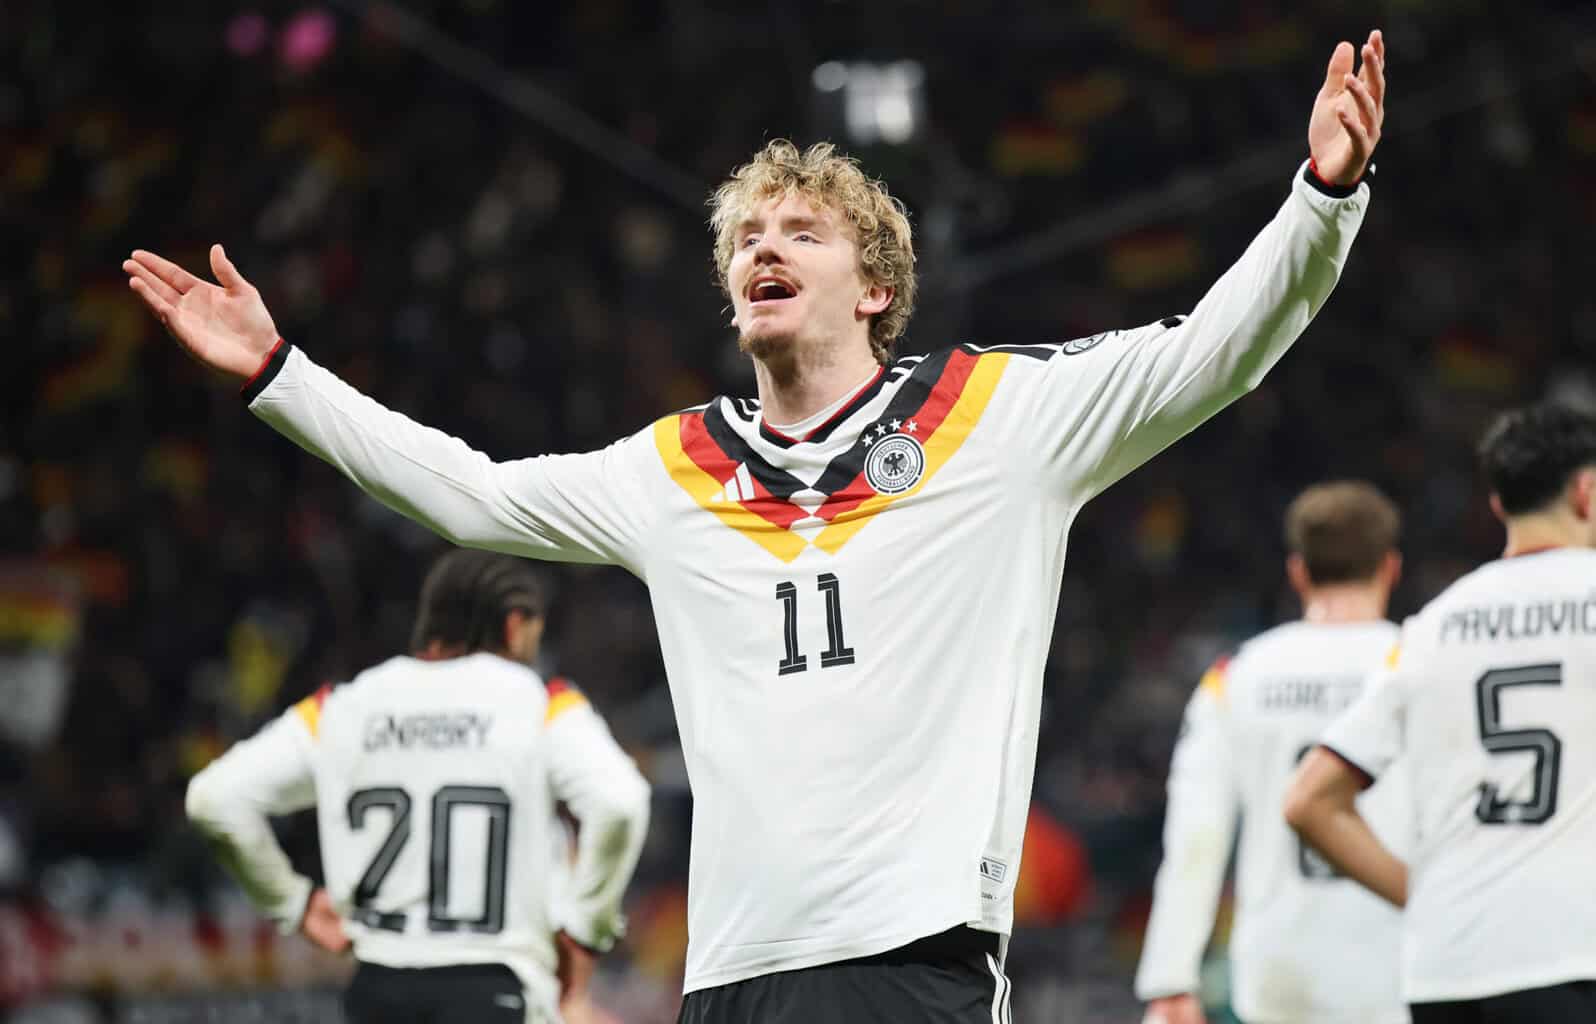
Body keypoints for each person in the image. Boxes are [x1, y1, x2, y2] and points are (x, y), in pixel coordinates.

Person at [131, 30, 1386, 1021]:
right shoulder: (671, 467)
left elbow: (1215, 354)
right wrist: (281, 374)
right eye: (744, 238)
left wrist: (1323, 196)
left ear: (876, 286)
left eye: (800, 230)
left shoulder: (999, 417)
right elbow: (472, 493)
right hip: (731, 973)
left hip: (915, 958)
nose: (760, 248)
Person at [185, 549, 651, 1024]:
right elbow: (620, 802)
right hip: (496, 989)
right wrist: (586, 929)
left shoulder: (344, 706)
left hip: (377, 990)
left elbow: (213, 799)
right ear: (514, 626)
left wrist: (292, 903)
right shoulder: (542, 703)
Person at [1285, 402, 1596, 1022]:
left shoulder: (1433, 626)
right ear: (1585, 492)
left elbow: (1309, 801)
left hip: (1445, 970)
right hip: (1569, 956)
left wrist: (1421, 896)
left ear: (1499, 505)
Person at [1136, 481, 1410, 1024]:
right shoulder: (1418, 662)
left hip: (1278, 968)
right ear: (1390, 567)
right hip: (1399, 960)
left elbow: (1196, 834)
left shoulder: (1236, 675)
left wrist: (1171, 977)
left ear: (1298, 572)